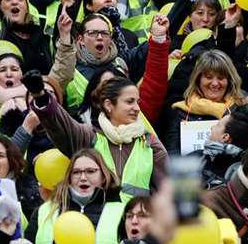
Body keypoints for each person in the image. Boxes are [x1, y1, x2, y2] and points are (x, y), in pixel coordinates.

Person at [27, 72, 168, 201]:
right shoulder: (89, 138)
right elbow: (62, 125)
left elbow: (167, 191)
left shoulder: (150, 143)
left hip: (136, 223)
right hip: (97, 223)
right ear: (108, 105)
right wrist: (41, 96)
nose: (137, 108)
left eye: (138, 102)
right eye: (129, 101)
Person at [164, 49, 248, 154]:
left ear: (229, 81)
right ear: (198, 79)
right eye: (208, 77)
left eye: (221, 78)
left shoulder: (245, 110)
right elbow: (172, 155)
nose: (215, 83)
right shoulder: (182, 112)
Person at [25, 148, 124, 244]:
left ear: (103, 176)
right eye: (76, 172)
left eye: (90, 171)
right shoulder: (43, 211)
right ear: (69, 177)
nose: (83, 178)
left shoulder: (123, 212)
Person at [195, 110, 248, 189]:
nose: (212, 127)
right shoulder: (246, 170)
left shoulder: (199, 158)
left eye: (217, 125)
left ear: (225, 137)